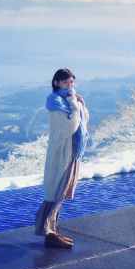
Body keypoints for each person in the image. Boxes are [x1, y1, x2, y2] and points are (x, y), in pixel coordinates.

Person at [35, 68, 89, 249]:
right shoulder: (56, 102)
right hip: (62, 153)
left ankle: (53, 230)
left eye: (72, 82)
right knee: (55, 191)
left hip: (72, 151)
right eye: (66, 82)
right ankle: (47, 233)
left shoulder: (69, 98)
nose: (70, 85)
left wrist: (79, 104)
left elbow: (83, 120)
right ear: (57, 82)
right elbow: (70, 127)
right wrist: (75, 105)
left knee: (62, 192)